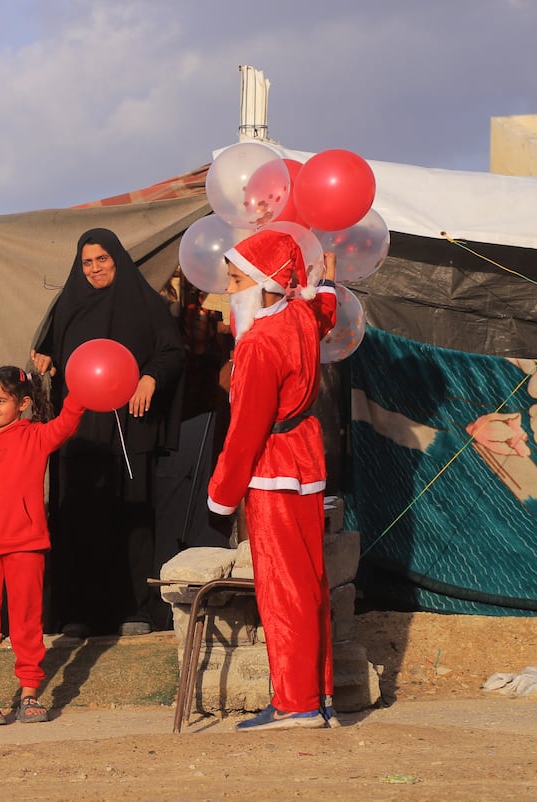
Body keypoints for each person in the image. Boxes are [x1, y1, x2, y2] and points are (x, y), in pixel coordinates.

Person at [204, 229, 339, 731]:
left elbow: (245, 433)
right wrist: (323, 282)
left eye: (237, 279)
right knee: (310, 583)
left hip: (273, 471)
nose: (230, 290)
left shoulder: (259, 343)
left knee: (285, 589)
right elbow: (322, 314)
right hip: (305, 466)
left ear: (264, 283)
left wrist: (220, 497)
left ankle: (296, 701)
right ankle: (317, 694)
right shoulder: (299, 317)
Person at [31, 228, 185, 637]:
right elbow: (47, 351)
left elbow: (172, 352)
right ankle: (77, 613)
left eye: (102, 259)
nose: (95, 268)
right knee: (79, 521)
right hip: (80, 434)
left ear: (117, 258)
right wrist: (44, 358)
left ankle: (134, 611)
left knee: (131, 521)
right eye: (87, 262)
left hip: (130, 429)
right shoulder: (67, 305)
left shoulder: (145, 303)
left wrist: (150, 377)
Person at [0, 366, 85, 726]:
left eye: (1, 400)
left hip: (26, 545)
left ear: (22, 403)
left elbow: (67, 423)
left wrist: (82, 390)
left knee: (26, 622)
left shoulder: (36, 437)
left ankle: (29, 694)